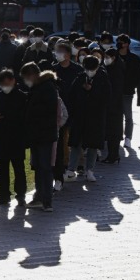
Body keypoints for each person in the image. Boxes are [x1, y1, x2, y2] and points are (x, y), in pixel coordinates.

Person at [0, 69, 27, 207]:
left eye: (8, 83)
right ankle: (4, 195)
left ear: (14, 81)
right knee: (2, 170)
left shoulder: (22, 96)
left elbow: (25, 116)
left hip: (17, 137)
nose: (5, 86)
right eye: (3, 84)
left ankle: (20, 194)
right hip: (1, 137)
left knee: (18, 168)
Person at [66, 55, 110, 183]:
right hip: (80, 116)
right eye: (87, 68)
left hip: (96, 117)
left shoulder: (103, 78)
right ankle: (71, 169)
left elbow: (107, 98)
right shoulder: (80, 77)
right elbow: (71, 95)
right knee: (76, 143)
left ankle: (89, 170)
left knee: (93, 145)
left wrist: (93, 90)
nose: (89, 70)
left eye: (92, 68)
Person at [20, 63, 58, 211]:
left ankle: (47, 200)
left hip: (44, 134)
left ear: (33, 75)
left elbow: (46, 111)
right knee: (38, 167)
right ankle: (39, 197)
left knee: (45, 167)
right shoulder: (37, 87)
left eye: (26, 77)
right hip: (36, 134)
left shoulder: (47, 88)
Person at [51, 42, 83, 191]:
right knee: (61, 140)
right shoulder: (53, 70)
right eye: (56, 51)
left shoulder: (77, 70)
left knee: (75, 139)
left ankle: (76, 166)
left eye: (60, 51)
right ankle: (63, 169)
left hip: (75, 109)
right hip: (60, 111)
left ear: (68, 54)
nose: (57, 54)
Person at [117, 34, 140, 148]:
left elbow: (139, 74)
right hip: (114, 91)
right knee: (115, 115)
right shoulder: (114, 56)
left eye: (121, 42)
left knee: (128, 115)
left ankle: (128, 138)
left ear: (127, 44)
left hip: (127, 91)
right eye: (118, 41)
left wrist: (132, 84)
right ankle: (116, 136)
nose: (119, 44)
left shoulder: (134, 59)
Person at [103, 48, 125, 163]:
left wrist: (110, 103)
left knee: (114, 132)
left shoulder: (117, 70)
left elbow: (116, 90)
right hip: (111, 105)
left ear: (114, 58)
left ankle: (114, 155)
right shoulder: (109, 68)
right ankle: (112, 155)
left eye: (107, 57)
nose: (105, 59)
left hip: (114, 106)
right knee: (111, 132)